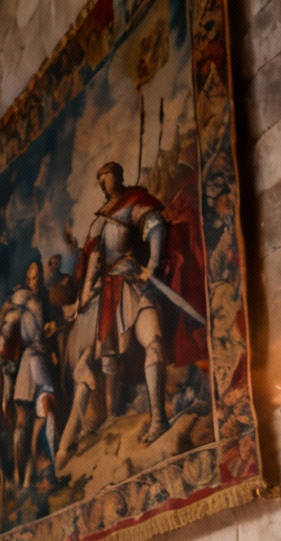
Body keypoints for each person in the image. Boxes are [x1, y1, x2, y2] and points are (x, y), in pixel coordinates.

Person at [66, 161, 174, 443]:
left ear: (119, 175)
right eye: (100, 180)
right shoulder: (100, 218)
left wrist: (151, 263)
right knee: (108, 360)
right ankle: (112, 420)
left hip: (133, 280)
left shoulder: (131, 202)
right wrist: (85, 294)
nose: (104, 183)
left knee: (154, 341)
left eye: (107, 177)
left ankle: (158, 419)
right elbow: (91, 258)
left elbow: (154, 225)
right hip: (108, 292)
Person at [0, 259, 64, 487]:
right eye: (31, 277)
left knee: (42, 412)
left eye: (37, 276)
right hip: (31, 359)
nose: (35, 280)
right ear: (27, 279)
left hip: (39, 356)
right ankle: (21, 473)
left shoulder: (44, 300)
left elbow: (52, 327)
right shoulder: (25, 297)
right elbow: (6, 309)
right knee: (25, 418)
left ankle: (36, 467)